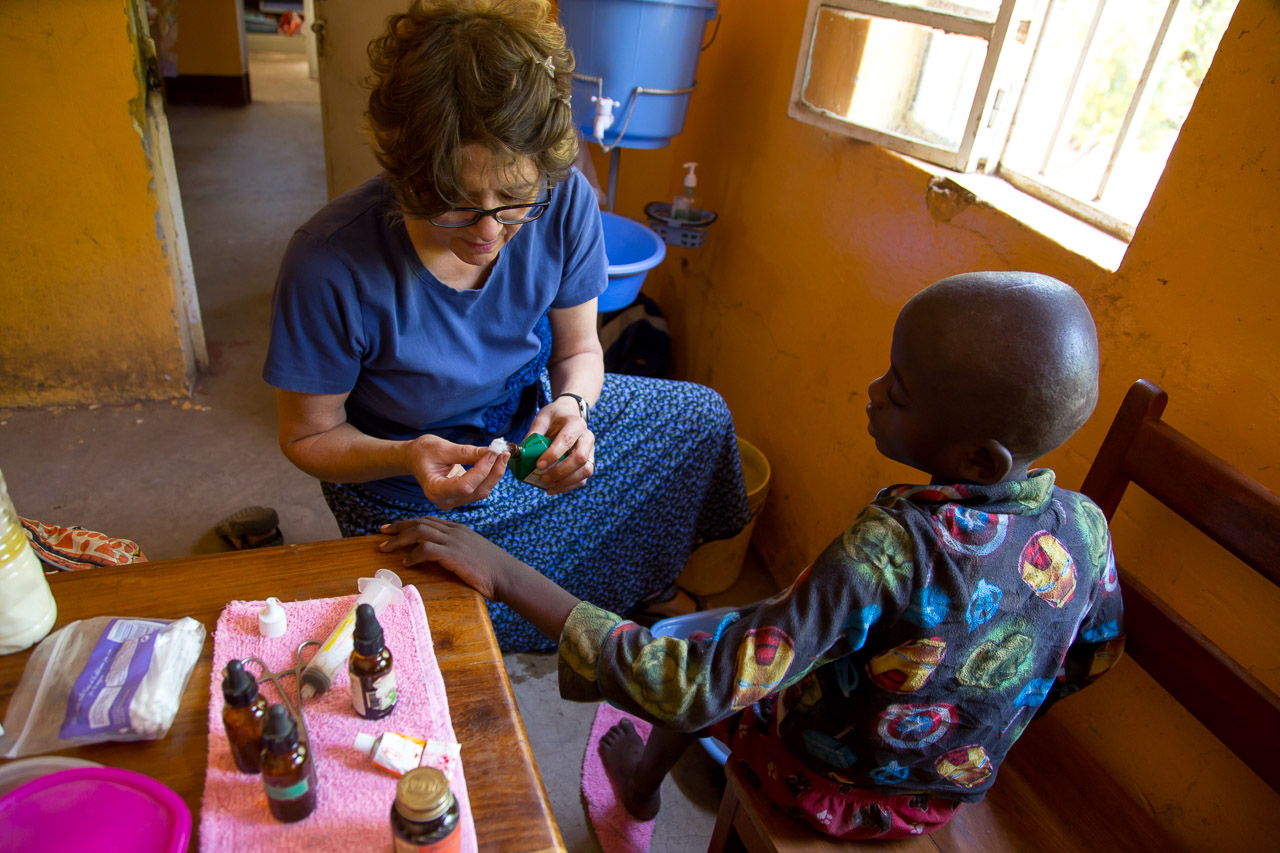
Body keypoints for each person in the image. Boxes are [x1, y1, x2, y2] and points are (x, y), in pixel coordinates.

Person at [377, 271, 1126, 839]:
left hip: (822, 784)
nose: (870, 391)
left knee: (694, 642)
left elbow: (695, 687)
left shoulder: (887, 553)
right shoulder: (1086, 527)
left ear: (977, 455)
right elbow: (1093, 657)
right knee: (754, 633)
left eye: (897, 392)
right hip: (947, 786)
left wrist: (503, 570)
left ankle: (639, 785)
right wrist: (952, 713)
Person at [262, 0, 750, 652]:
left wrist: (574, 408)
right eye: (456, 205)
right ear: (407, 174)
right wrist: (407, 453)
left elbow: (579, 349)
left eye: (515, 202)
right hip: (413, 486)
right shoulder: (329, 261)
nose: (491, 232)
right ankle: (571, 592)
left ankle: (637, 580)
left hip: (520, 430)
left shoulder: (565, 196)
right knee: (439, 634)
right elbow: (308, 435)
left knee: (700, 418)